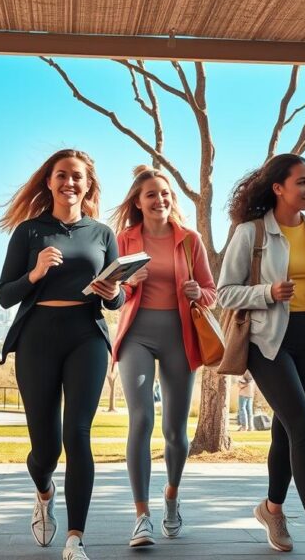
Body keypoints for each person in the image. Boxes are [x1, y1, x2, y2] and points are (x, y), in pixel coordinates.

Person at [217, 153, 305, 560]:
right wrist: (267, 292)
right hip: (267, 342)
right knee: (301, 424)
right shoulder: (251, 233)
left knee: (286, 427)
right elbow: (225, 292)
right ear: (278, 188)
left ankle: (272, 510)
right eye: (302, 182)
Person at [0, 149, 123, 560]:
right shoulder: (29, 231)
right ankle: (44, 491)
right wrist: (34, 273)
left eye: (78, 177)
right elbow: (4, 295)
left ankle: (75, 539)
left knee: (77, 435)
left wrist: (113, 292)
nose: (70, 183)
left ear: (88, 185)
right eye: (62, 176)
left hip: (85, 336)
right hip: (37, 339)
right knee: (46, 449)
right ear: (49, 182)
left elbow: (116, 297)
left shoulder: (102, 234)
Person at [108, 166, 217, 546]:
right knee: (141, 419)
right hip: (137, 335)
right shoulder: (123, 240)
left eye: (165, 193)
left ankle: (171, 495)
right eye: (151, 194)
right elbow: (107, 289)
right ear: (138, 202)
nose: (160, 200)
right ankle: (142, 516)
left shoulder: (190, 240)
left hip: (179, 337)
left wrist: (196, 293)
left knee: (175, 431)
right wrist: (124, 282)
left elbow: (210, 290)